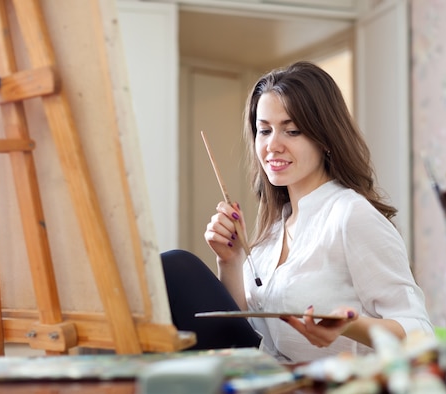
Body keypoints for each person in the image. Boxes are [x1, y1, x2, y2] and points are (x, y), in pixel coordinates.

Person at [162, 61, 432, 363]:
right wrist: (231, 261)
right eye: (264, 130)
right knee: (169, 276)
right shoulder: (273, 232)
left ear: (325, 138)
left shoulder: (350, 215)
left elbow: (420, 332)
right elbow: (250, 333)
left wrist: (349, 325)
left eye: (291, 131)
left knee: (177, 267)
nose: (272, 145)